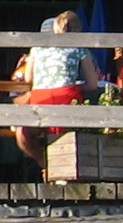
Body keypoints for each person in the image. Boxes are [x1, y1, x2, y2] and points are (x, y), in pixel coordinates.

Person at [10, 10, 101, 166]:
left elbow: (29, 79)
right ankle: (64, 167)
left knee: (24, 130)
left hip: (39, 99)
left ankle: (44, 163)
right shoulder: (79, 49)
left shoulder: (36, 49)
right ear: (78, 31)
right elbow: (92, 84)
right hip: (65, 98)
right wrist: (77, 86)